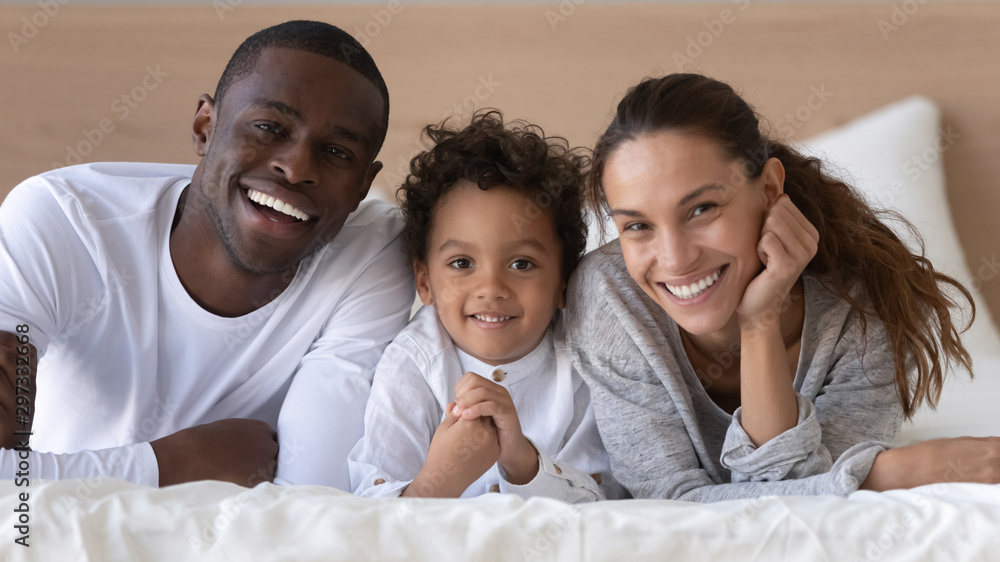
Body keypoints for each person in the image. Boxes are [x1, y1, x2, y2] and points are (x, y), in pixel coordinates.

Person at [0, 20, 414, 489]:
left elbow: (313, 499)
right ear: (204, 127)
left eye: (337, 152)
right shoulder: (62, 221)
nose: (297, 168)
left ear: (364, 184)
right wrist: (175, 463)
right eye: (269, 127)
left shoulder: (373, 251)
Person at [566, 73, 1000, 502]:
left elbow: (791, 506)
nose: (675, 258)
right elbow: (668, 505)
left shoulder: (864, 308)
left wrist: (759, 323)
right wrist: (886, 473)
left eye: (702, 209)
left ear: (770, 188)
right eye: (638, 225)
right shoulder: (611, 297)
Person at [349, 111, 624, 501]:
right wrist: (439, 481)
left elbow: (602, 504)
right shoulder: (412, 364)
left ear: (563, 283)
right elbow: (368, 512)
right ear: (425, 282)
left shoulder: (583, 363)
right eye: (462, 263)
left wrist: (521, 460)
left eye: (522, 264)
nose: (492, 288)